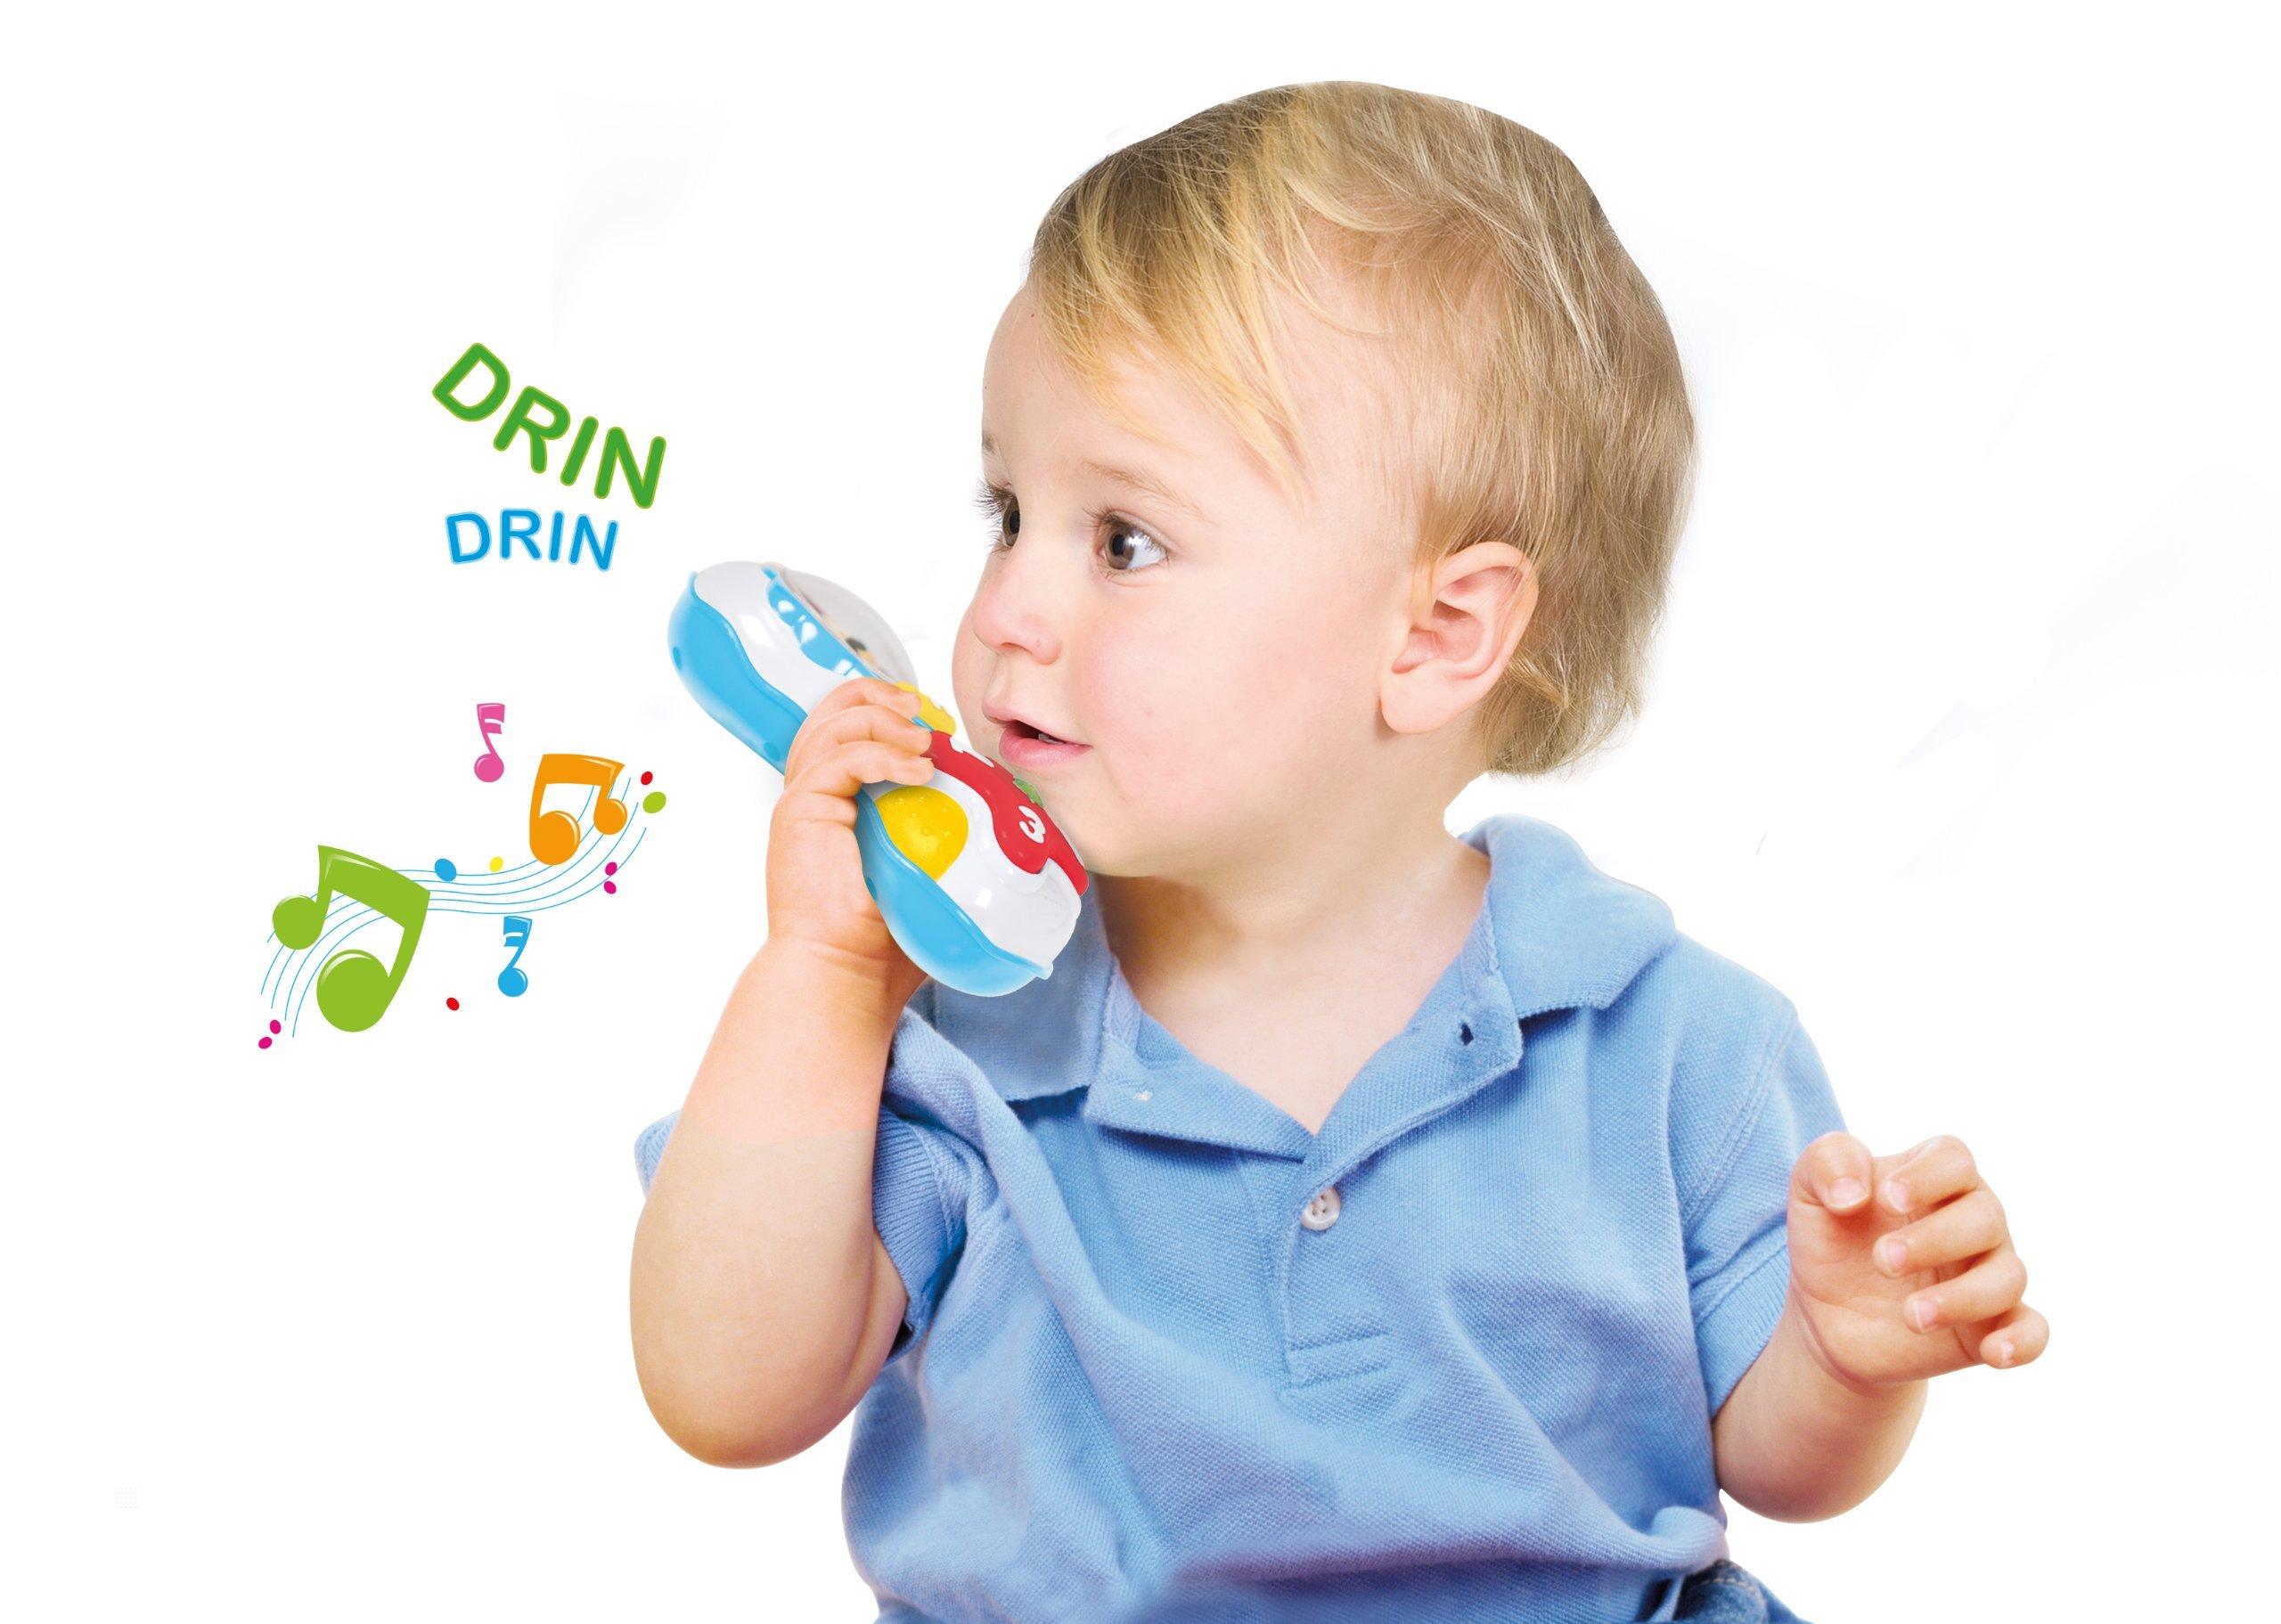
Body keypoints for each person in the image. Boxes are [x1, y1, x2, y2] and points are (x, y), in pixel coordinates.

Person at [627, 81, 2046, 1624]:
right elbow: (725, 1394)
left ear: (1435, 635)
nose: (1006, 610)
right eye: (1010, 512)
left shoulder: (1665, 1038)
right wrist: (824, 979)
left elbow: (1771, 1462)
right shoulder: (955, 1031)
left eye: (1123, 542)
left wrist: (1841, 1356)